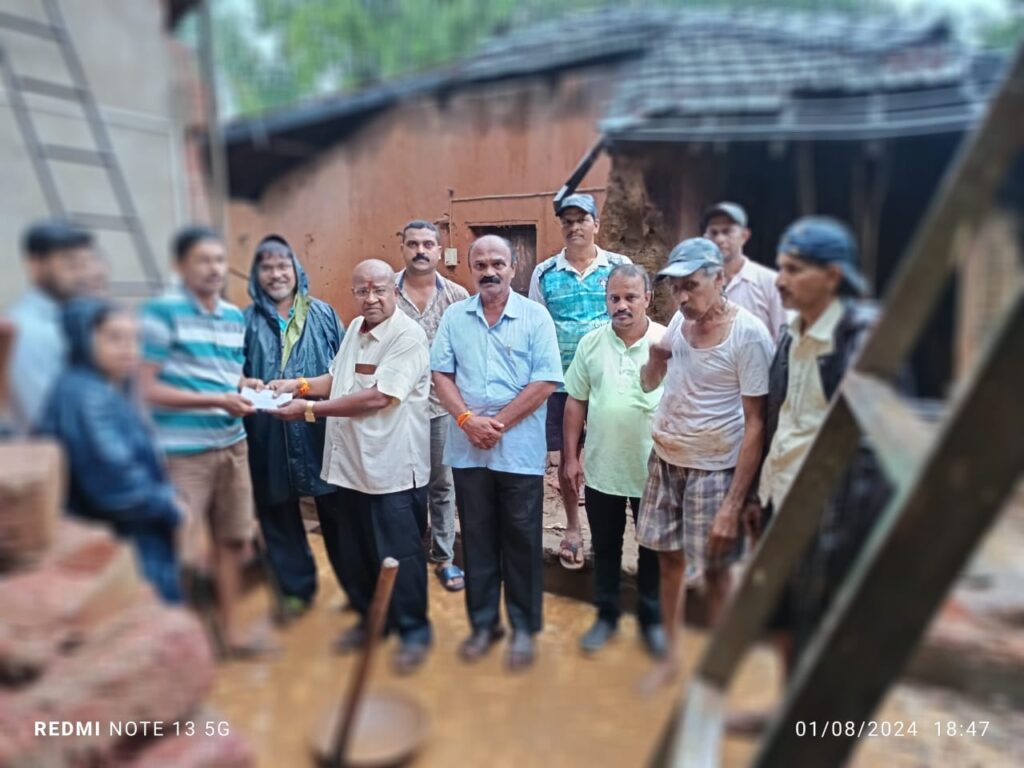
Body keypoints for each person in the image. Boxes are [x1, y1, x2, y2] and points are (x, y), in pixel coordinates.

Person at [728, 217, 890, 733]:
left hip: (831, 511)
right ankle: (789, 714)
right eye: (780, 268)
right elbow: (778, 422)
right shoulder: (790, 334)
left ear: (833, 276)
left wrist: (848, 529)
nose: (781, 280)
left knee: (828, 622)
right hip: (783, 499)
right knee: (786, 611)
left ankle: (826, 729)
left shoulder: (862, 339)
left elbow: (874, 448)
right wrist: (757, 496)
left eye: (795, 270)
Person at [271, 259, 433, 675]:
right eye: (362, 290)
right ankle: (371, 622)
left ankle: (413, 632)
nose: (371, 298)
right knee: (358, 552)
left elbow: (379, 397)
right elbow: (337, 378)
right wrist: (297, 386)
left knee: (400, 557)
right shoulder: (354, 329)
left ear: (395, 291)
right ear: (354, 293)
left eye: (379, 289)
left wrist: (308, 410)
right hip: (349, 469)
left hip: (391, 472)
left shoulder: (407, 336)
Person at [637, 237, 774, 689]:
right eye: (675, 287)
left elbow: (756, 424)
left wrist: (733, 506)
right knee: (668, 562)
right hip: (666, 458)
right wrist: (654, 358)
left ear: (719, 279)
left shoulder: (748, 335)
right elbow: (650, 382)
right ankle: (672, 659)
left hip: (714, 467)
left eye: (691, 285)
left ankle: (718, 675)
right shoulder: (681, 320)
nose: (681, 297)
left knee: (716, 573)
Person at [432, 235, 563, 671]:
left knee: (522, 541)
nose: (490, 271)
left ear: (513, 266)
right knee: (477, 540)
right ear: (471, 269)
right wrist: (467, 420)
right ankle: (484, 625)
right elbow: (441, 374)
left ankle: (524, 629)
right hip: (468, 450)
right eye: (481, 264)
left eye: (498, 263)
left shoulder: (535, 317)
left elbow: (546, 381)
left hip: (518, 452)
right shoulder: (455, 316)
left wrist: (497, 424)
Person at [139, 225, 269, 657]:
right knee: (178, 549)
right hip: (183, 454)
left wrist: (246, 385)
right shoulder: (162, 313)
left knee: (232, 541)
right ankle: (176, 647)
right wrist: (216, 398)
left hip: (233, 444)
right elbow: (146, 388)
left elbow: (227, 374)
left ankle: (230, 634)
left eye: (218, 259)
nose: (213, 268)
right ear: (180, 266)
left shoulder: (233, 317)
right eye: (202, 260)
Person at [38, 298, 182, 602]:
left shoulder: (101, 387)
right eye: (114, 338)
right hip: (121, 539)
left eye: (134, 338)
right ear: (84, 338)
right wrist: (169, 505)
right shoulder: (86, 398)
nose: (129, 348)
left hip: (130, 534)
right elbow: (117, 485)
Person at [562, 264, 666, 658]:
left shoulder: (666, 343)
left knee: (652, 549)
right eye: (614, 298)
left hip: (654, 471)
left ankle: (651, 620)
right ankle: (606, 615)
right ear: (605, 301)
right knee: (605, 547)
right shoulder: (591, 343)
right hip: (603, 468)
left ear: (647, 299)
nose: (621, 305)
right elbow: (575, 402)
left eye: (630, 297)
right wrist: (570, 458)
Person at [242, 234, 344, 621]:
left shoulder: (324, 314)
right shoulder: (244, 322)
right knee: (277, 514)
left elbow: (345, 370)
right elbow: (232, 373)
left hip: (320, 427)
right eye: (266, 267)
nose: (276, 274)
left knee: (339, 513)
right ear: (256, 274)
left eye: (283, 265)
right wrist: (245, 384)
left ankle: (358, 588)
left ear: (296, 269)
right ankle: (295, 590)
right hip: (267, 433)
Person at [528, 193, 631, 570]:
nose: (574, 227)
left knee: (613, 453)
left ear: (596, 224)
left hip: (610, 380)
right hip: (561, 386)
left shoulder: (619, 267)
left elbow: (631, 316)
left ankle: (614, 530)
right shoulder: (544, 273)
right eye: (567, 221)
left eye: (581, 220)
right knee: (567, 459)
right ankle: (573, 528)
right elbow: (538, 329)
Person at [394, 219, 469, 592]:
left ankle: (443, 559)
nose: (420, 250)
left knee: (442, 485)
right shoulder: (386, 292)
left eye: (428, 244)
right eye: (413, 244)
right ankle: (407, 556)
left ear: (440, 250)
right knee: (401, 485)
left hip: (441, 409)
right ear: (402, 248)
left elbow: (468, 352)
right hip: (394, 409)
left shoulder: (457, 296)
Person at [6, 219, 93, 434]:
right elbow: (44, 418)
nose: (82, 274)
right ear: (35, 265)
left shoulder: (79, 320)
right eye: (70, 265)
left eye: (85, 264)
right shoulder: (27, 331)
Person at [701, 202, 787, 343]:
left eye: (727, 231)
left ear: (744, 236)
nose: (720, 239)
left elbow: (785, 339)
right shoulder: (699, 284)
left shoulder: (770, 282)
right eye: (714, 233)